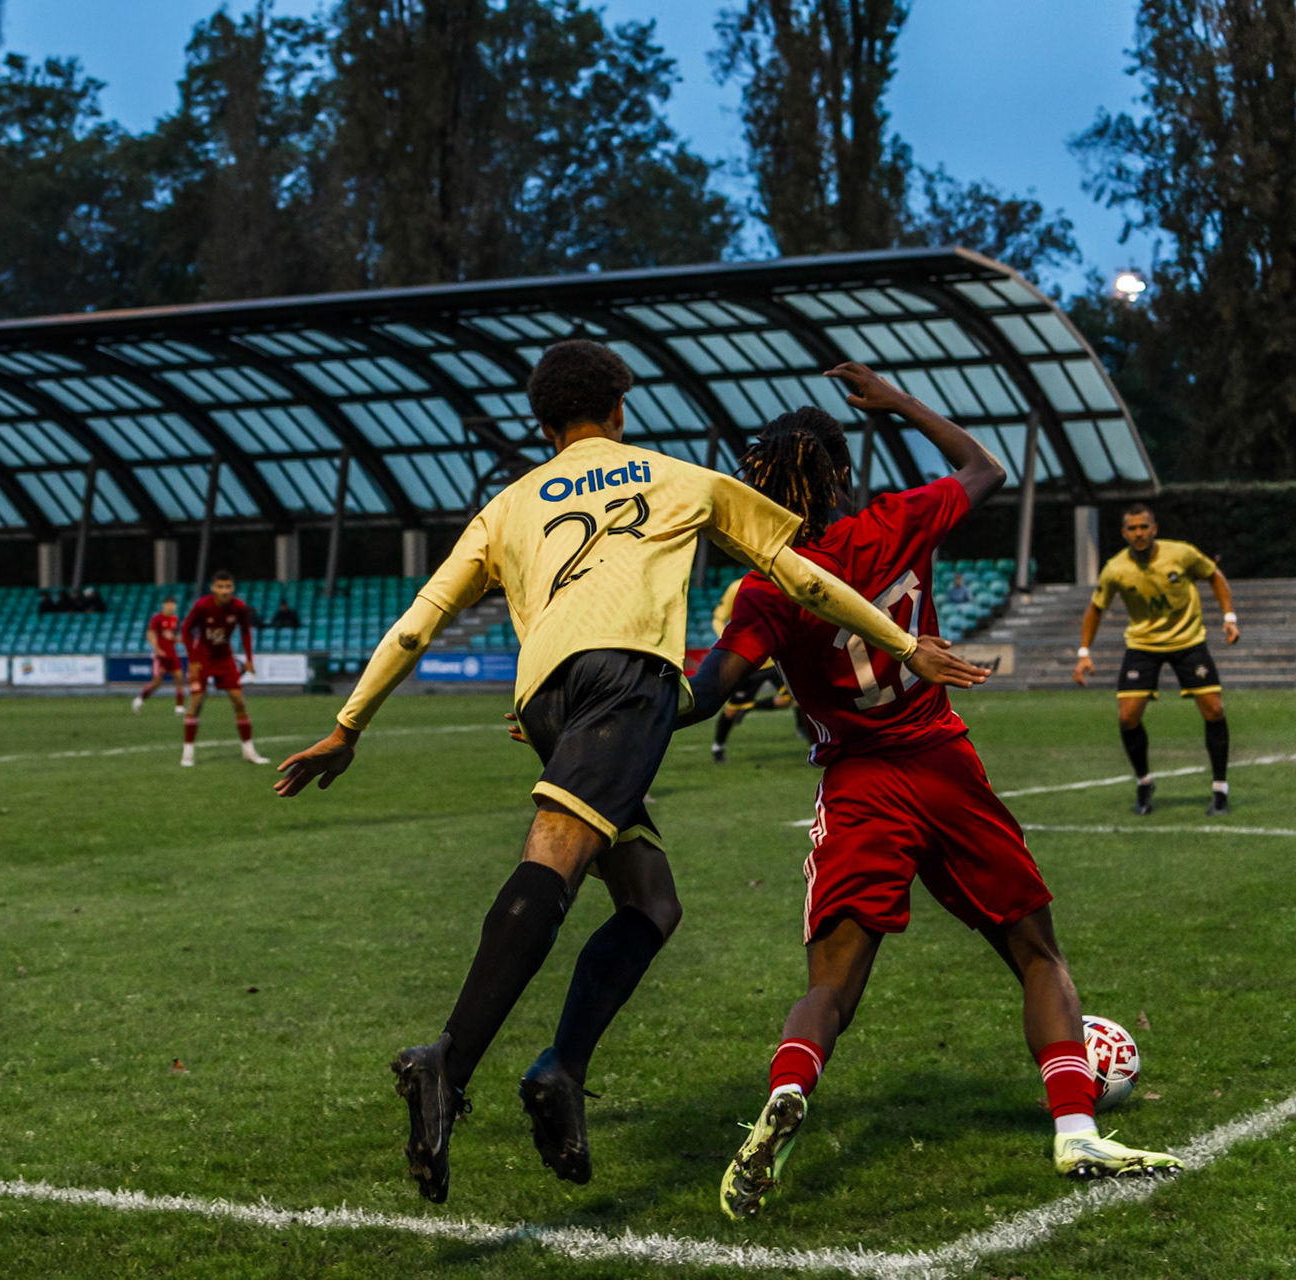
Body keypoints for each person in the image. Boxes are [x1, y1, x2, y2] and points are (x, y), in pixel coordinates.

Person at [273, 340, 989, 1203]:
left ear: (544, 425)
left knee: (651, 902)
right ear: (619, 409)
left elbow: (419, 622)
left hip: (545, 699)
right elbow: (803, 579)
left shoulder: (506, 506)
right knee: (554, 858)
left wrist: (347, 727)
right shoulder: (679, 478)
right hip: (626, 682)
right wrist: (906, 645)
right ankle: (446, 1064)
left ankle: (560, 1070)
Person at [679, 364, 1180, 1218]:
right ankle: (1075, 1128)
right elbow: (987, 469)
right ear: (841, 474)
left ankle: (791, 1088)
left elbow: (708, 690)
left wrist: (604, 713)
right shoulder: (896, 520)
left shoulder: (769, 587)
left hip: (860, 784)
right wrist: (899, 402)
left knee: (831, 985)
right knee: (1037, 954)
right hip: (944, 765)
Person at [1074, 504, 1238, 816]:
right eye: (1132, 528)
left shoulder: (1181, 554)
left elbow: (1214, 576)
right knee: (1127, 717)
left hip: (1188, 641)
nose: (1139, 533)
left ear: (1154, 529)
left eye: (1144, 527)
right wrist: (1084, 653)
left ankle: (1220, 789)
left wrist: (1229, 617)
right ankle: (1144, 782)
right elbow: (1095, 608)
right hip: (1143, 645)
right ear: (1124, 533)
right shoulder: (1115, 569)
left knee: (1214, 709)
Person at [707, 574, 801, 764]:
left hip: (774, 660)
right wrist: (729, 642)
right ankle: (718, 747)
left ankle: (815, 746)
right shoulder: (738, 586)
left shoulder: (780, 583)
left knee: (793, 699)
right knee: (731, 710)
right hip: (748, 661)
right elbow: (718, 618)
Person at [180, 572, 268, 767]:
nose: (225, 591)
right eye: (220, 587)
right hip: (202, 659)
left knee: (239, 702)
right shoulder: (203, 606)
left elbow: (245, 632)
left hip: (225, 659)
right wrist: (193, 660)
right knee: (196, 703)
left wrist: (249, 659)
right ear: (213, 588)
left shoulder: (239, 607)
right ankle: (187, 754)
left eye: (228, 586)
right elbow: (186, 629)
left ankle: (249, 751)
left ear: (233, 588)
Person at [132, 595, 186, 715]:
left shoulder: (175, 619)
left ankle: (179, 707)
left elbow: (172, 637)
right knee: (157, 683)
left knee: (179, 678)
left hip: (172, 654)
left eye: (173, 605)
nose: (172, 607)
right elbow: (150, 635)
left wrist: (182, 640)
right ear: (164, 605)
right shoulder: (157, 618)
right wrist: (157, 649)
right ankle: (139, 699)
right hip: (160, 656)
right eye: (169, 604)